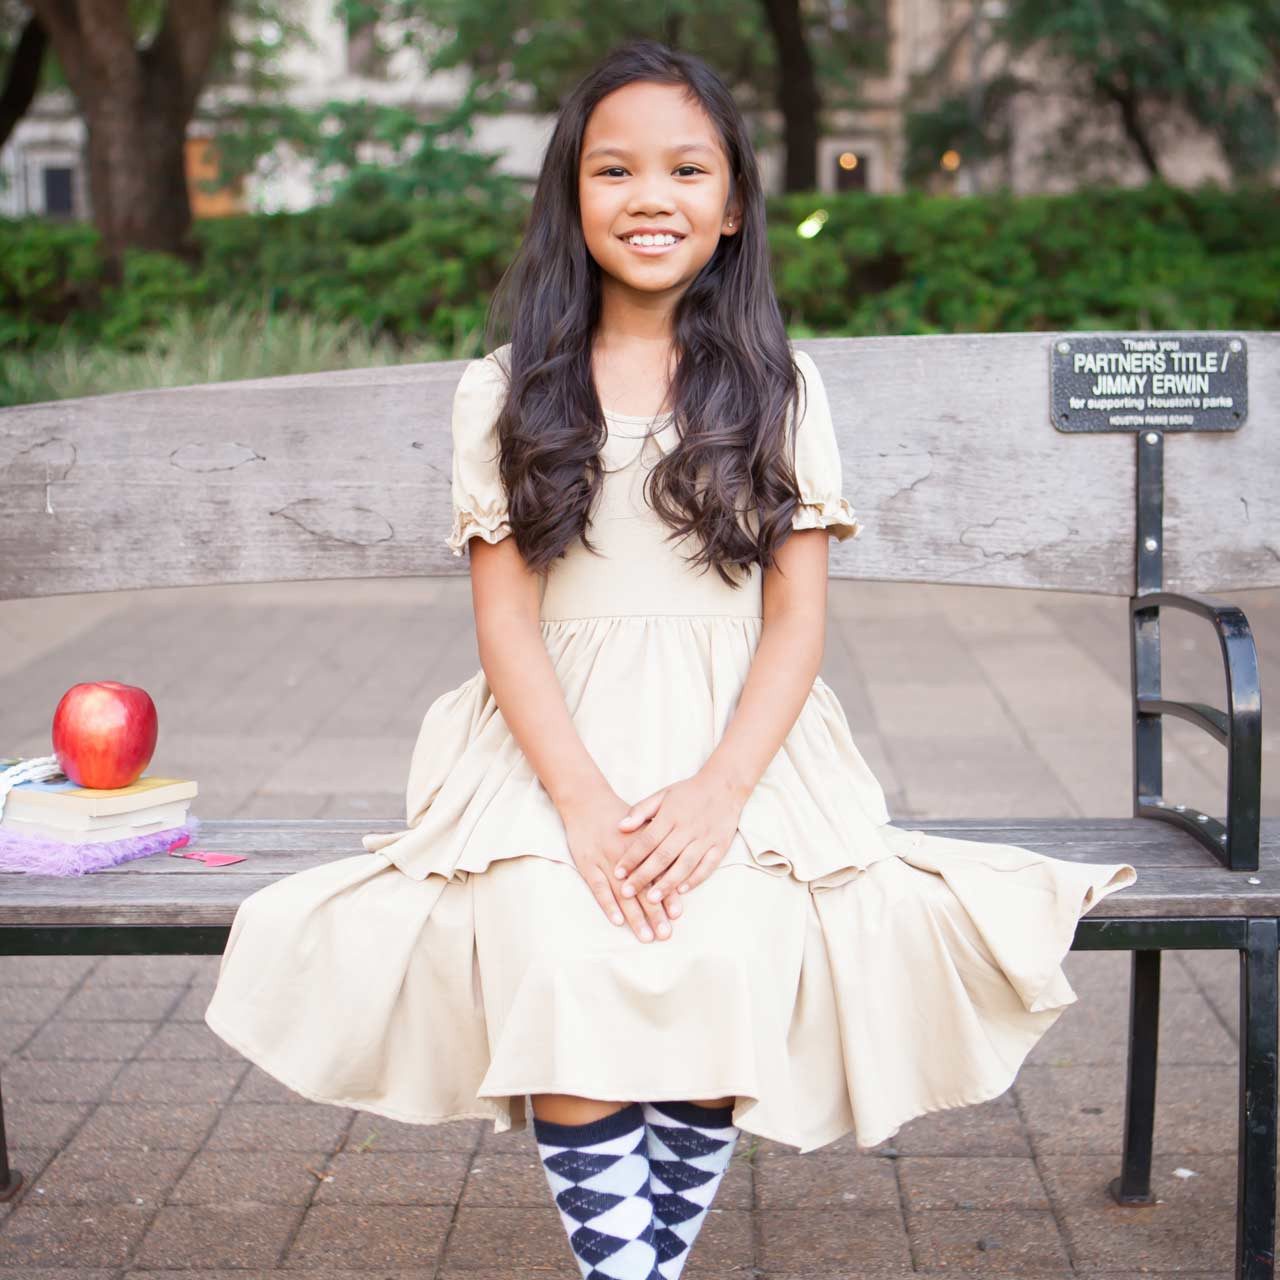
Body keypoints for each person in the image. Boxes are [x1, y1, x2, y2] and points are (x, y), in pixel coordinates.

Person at [204, 37, 1138, 1280]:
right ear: (570, 195)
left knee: (722, 929)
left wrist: (713, 795)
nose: (651, 197)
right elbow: (505, 624)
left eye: (686, 168)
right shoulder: (505, 389)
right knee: (554, 921)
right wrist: (584, 807)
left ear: (734, 203)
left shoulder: (777, 386)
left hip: (738, 743)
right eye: (615, 170)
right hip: (550, 740)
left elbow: (795, 624)